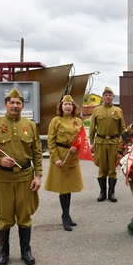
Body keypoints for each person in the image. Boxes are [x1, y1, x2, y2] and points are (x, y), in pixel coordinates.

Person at [0, 88, 43, 265]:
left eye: (19, 103)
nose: (15, 106)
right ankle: (4, 252)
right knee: (5, 216)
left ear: (23, 105)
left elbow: (37, 153)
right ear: (5, 104)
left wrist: (38, 176)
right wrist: (0, 160)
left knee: (24, 217)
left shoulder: (30, 125)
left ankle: (26, 251)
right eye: (12, 102)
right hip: (3, 179)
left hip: (25, 178)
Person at [44, 95, 84, 232]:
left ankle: (66, 214)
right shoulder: (55, 121)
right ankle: (65, 217)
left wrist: (77, 147)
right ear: (61, 107)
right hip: (61, 158)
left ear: (73, 107)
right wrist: (56, 159)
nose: (67, 107)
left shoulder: (78, 121)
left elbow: (81, 139)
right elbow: (51, 141)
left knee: (69, 187)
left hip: (72, 158)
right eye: (65, 104)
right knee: (63, 189)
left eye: (70, 104)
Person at [89, 87, 125, 202]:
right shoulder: (96, 110)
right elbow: (92, 128)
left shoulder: (118, 111)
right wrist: (91, 143)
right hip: (100, 142)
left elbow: (122, 128)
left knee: (112, 168)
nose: (108, 96)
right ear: (103, 97)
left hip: (114, 143)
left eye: (110, 95)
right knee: (102, 167)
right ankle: (102, 192)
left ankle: (111, 193)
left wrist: (122, 144)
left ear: (113, 97)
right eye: (106, 95)